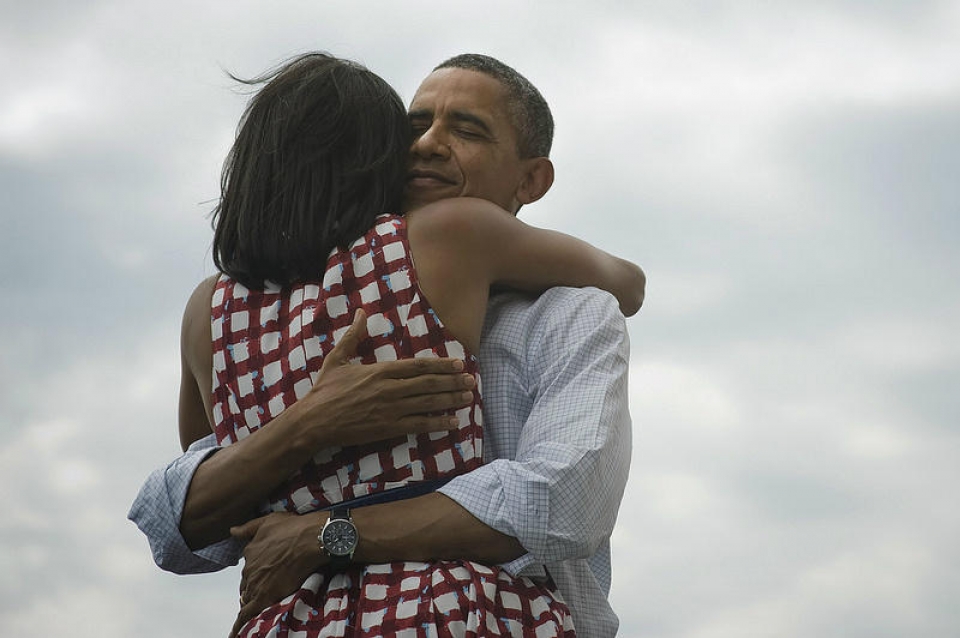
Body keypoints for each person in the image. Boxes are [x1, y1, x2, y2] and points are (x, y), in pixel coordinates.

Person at [130, 52, 638, 637]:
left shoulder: (212, 310)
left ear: (531, 179)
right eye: (413, 127)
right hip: (451, 608)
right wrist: (312, 420)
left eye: (466, 129)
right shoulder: (439, 244)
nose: (426, 145)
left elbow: (562, 502)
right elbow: (192, 512)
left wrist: (323, 530)